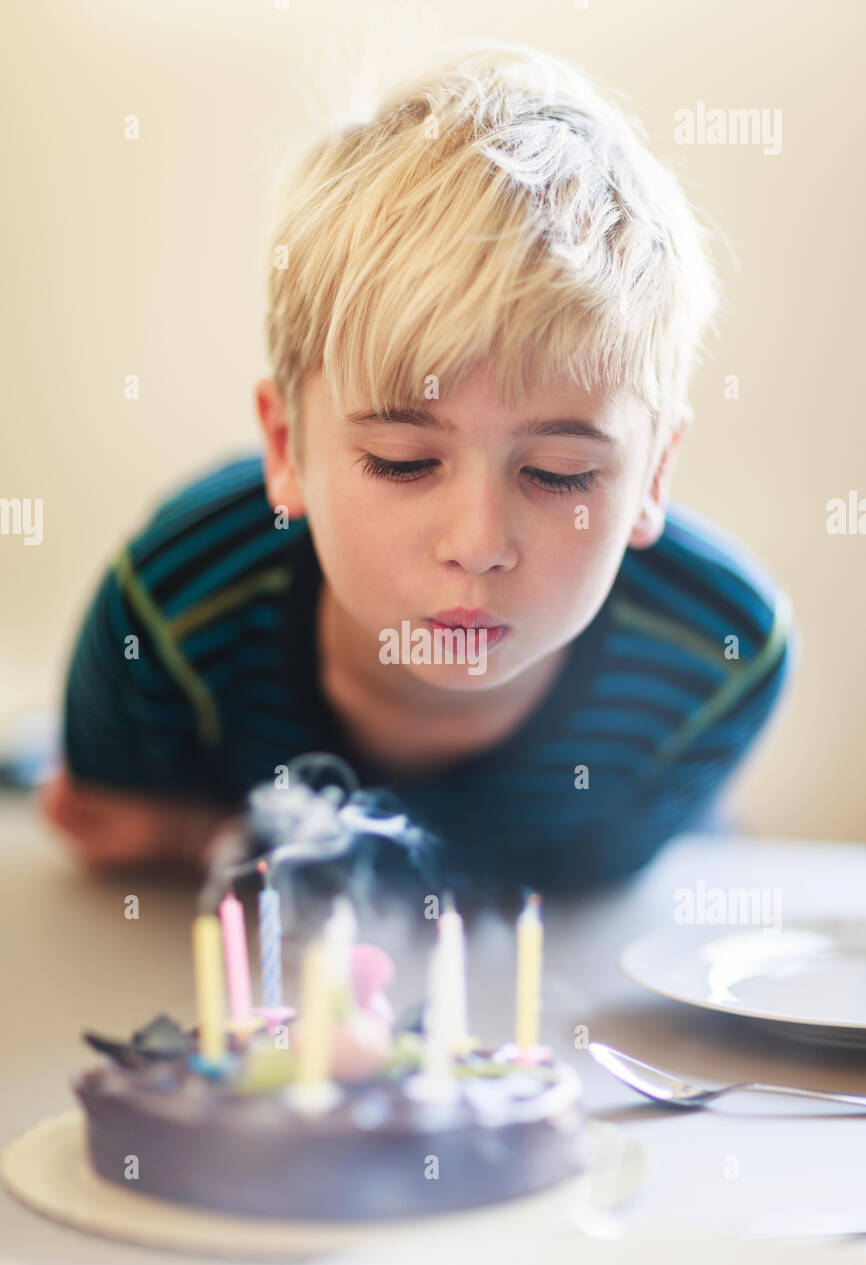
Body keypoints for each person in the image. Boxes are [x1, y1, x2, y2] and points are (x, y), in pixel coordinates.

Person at [40, 42, 795, 897]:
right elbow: (108, 824)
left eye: (557, 474)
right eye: (403, 462)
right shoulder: (174, 610)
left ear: (654, 477)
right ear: (287, 449)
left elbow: (586, 894)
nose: (477, 544)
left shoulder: (718, 657)